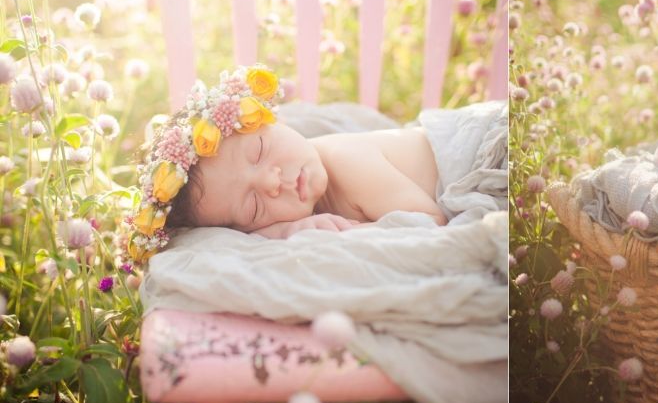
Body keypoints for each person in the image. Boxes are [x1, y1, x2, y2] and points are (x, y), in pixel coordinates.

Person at [121, 64, 507, 263]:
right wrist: (285, 232)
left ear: (275, 119)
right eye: (255, 206)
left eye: (258, 152)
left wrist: (346, 233)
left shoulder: (345, 160)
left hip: (488, 146)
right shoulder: (289, 217)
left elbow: (428, 223)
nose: (272, 183)